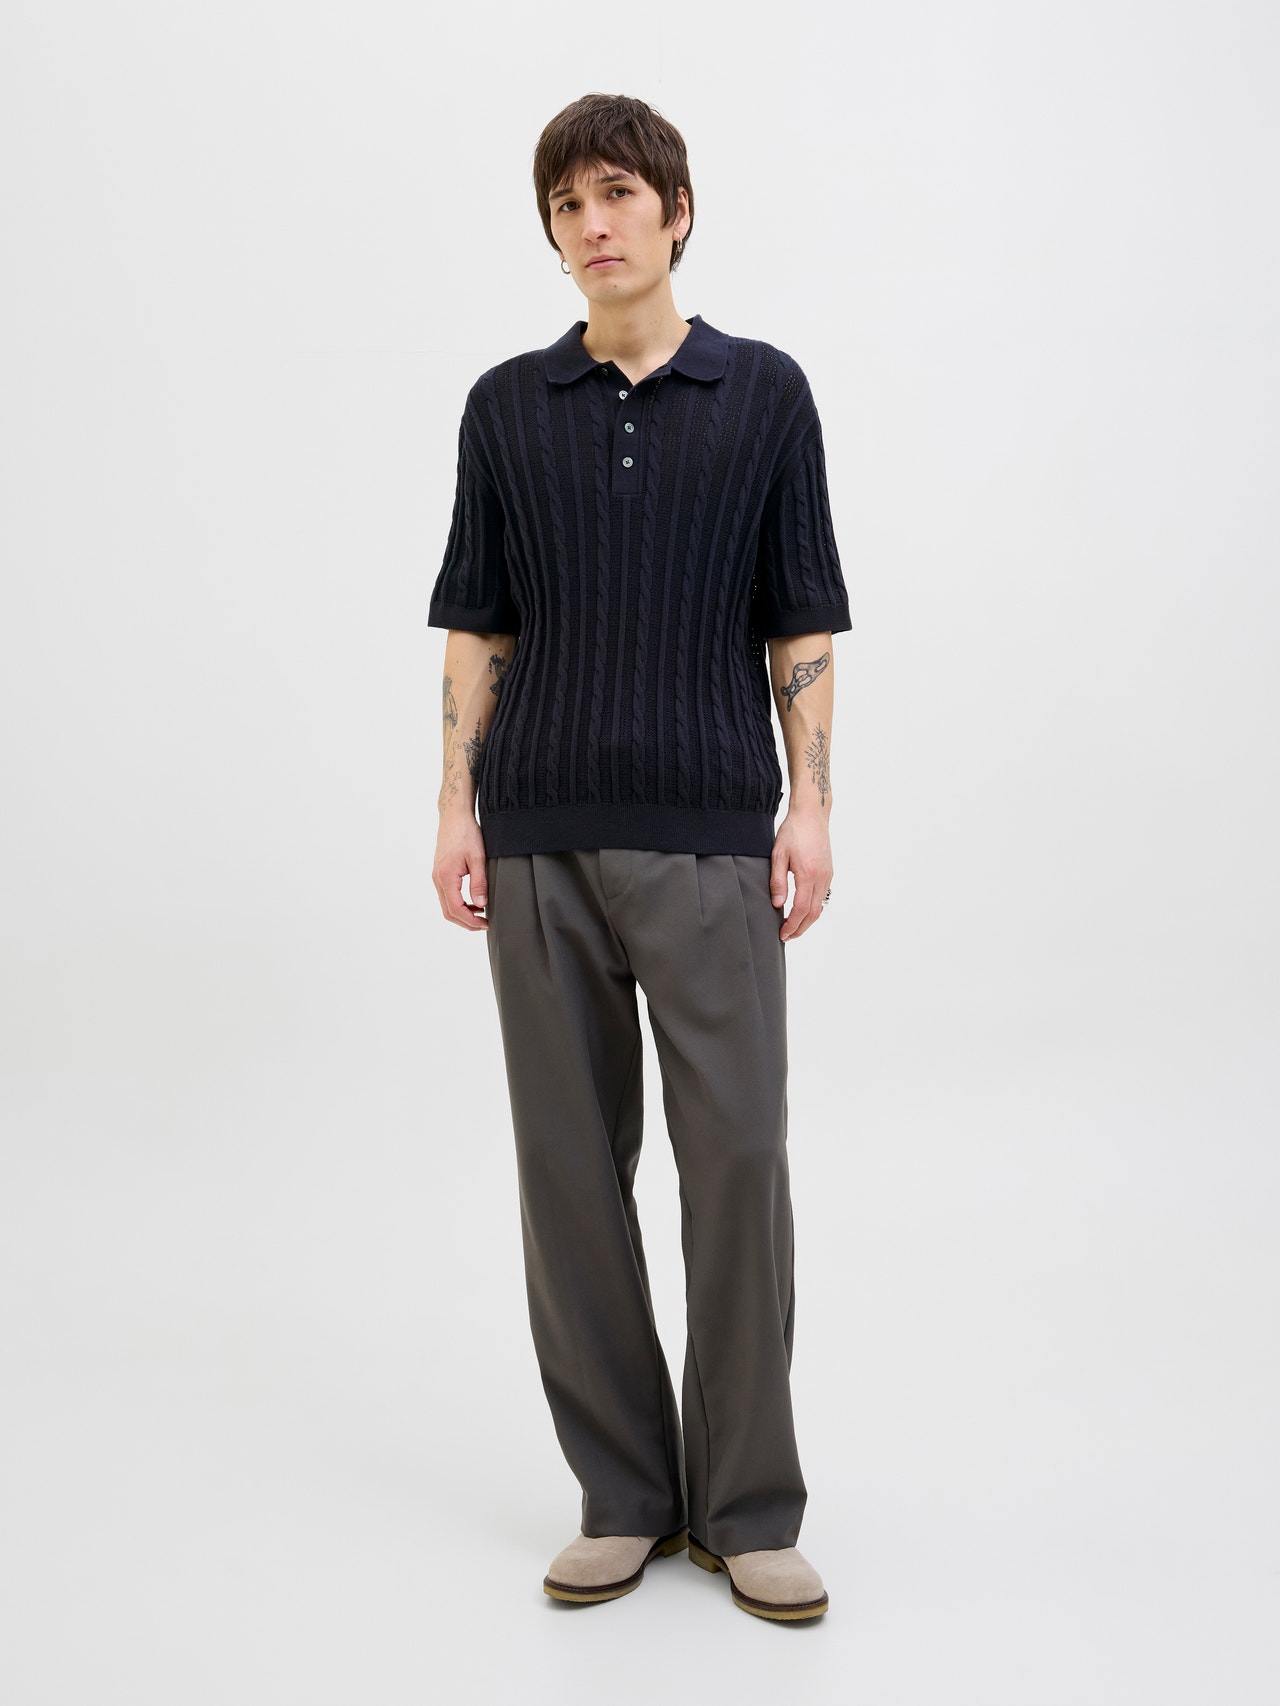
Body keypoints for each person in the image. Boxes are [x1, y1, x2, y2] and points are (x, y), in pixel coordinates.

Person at [429, 92, 850, 1622]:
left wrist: (810, 805)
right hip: (538, 835)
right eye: (566, 205)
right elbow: (480, 623)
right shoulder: (505, 407)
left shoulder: (765, 394)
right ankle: (622, 1491)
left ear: (676, 210)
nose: (592, 224)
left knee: (735, 1158)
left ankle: (745, 1504)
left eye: (616, 193)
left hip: (711, 834)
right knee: (569, 1172)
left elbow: (801, 617)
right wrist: (456, 802)